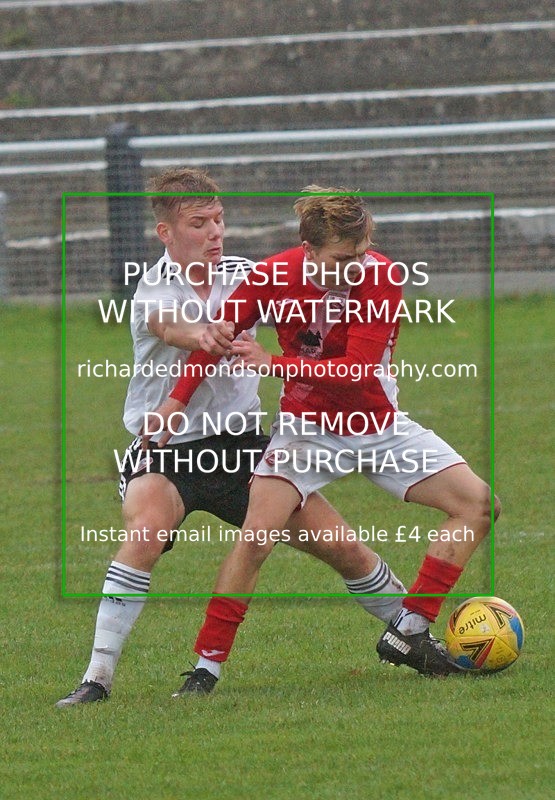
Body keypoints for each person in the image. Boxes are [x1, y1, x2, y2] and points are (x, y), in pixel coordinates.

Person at [56, 169, 407, 706]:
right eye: (199, 223)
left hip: (243, 447)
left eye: (219, 219)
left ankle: (415, 635)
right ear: (166, 232)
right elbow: (170, 327)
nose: (215, 232)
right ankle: (96, 678)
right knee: (147, 531)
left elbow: (315, 290)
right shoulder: (153, 286)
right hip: (168, 452)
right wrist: (205, 333)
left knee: (343, 547)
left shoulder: (247, 273)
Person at [157, 186, 500, 689]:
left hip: (377, 425)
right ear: (309, 249)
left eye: (362, 253)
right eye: (343, 258)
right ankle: (206, 668)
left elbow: (358, 371)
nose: (356, 267)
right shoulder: (271, 276)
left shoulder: (381, 277)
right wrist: (175, 401)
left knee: (479, 505)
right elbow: (216, 339)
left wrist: (272, 363)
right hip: (306, 432)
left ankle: (410, 627)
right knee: (256, 539)